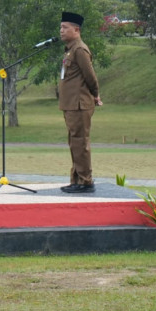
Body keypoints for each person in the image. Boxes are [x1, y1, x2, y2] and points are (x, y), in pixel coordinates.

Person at [58, 11, 101, 193]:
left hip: (79, 104)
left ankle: (85, 181)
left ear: (76, 30)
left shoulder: (80, 50)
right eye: (60, 27)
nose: (61, 31)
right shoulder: (70, 50)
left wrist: (95, 94)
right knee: (74, 142)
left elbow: (91, 77)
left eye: (65, 27)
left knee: (80, 142)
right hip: (71, 104)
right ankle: (76, 179)